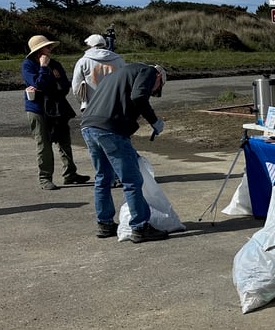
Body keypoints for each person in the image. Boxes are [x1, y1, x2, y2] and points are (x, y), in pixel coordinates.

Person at [79, 63, 169, 242]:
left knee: (103, 178)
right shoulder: (149, 71)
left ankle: (104, 224)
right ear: (159, 77)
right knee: (132, 180)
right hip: (111, 130)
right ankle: (140, 226)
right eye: (156, 89)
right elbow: (138, 97)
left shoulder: (118, 74)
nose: (154, 91)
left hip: (89, 126)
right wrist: (154, 121)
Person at [21, 35, 90, 190]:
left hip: (58, 108)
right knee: (43, 143)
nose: (50, 50)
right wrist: (44, 68)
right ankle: (45, 178)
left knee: (64, 141)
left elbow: (65, 86)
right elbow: (39, 84)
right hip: (37, 109)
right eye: (47, 47)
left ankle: (70, 174)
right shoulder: (28, 65)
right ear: (38, 50)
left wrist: (48, 85)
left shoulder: (56, 64)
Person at [71, 33, 126, 111]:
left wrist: (83, 102)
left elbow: (76, 87)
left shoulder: (83, 61)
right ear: (104, 44)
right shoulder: (119, 60)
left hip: (92, 105)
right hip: (115, 104)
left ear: (90, 45)